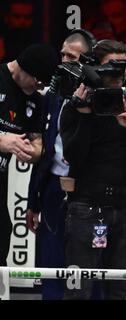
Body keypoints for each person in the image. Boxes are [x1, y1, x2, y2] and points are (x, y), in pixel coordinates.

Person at [60, 39, 126, 300]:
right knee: (77, 292)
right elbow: (73, 157)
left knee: (119, 291)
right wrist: (83, 114)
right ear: (96, 68)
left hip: (125, 207)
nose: (119, 74)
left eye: (123, 67)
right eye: (111, 67)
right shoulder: (75, 108)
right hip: (86, 207)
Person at [25, 29, 97, 300]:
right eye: (63, 54)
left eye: (72, 56)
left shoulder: (99, 97)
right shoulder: (52, 97)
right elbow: (43, 155)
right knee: (50, 261)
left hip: (88, 191)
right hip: (54, 188)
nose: (64, 60)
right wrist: (33, 201)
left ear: (86, 62)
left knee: (90, 264)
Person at [0, 43, 58, 267]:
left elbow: (37, 145)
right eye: (38, 80)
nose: (39, 85)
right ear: (25, 68)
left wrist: (33, 151)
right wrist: (3, 140)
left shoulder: (34, 99)